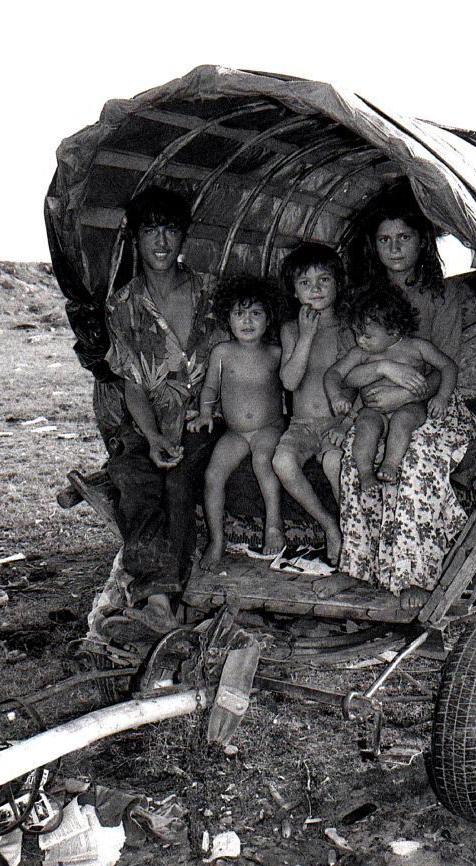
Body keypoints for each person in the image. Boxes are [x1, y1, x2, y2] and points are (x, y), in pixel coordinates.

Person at [322, 193, 476, 610]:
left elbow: (444, 365)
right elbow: (346, 369)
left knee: (417, 456)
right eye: (384, 239)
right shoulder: (359, 299)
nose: (394, 248)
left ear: (421, 242)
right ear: (373, 245)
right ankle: (355, 567)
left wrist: (405, 392)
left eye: (404, 237)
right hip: (375, 403)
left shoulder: (442, 298)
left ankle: (415, 575)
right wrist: (384, 375)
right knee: (360, 453)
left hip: (428, 405)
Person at [105, 186, 221, 634]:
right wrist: (152, 437)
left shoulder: (208, 291)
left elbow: (234, 357)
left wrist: (203, 414)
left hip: (206, 414)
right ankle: (157, 600)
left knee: (178, 480)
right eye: (149, 230)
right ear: (135, 238)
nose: (160, 242)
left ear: (183, 237)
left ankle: (180, 595)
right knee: (134, 477)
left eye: (169, 230)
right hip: (149, 418)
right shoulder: (124, 304)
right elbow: (133, 384)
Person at [188, 276, 285, 569]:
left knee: (263, 461)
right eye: (239, 314)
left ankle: (273, 524)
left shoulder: (276, 353)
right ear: (227, 318)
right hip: (234, 432)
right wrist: (205, 413)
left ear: (269, 319)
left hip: (269, 428)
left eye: (256, 313)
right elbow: (210, 389)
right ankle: (217, 540)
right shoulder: (222, 353)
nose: (247, 321)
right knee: (212, 476)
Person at [325, 283, 459, 491]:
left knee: (402, 419)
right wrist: (335, 397)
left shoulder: (417, 347)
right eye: (357, 333)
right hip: (373, 410)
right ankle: (366, 473)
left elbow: (448, 366)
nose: (360, 340)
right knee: (365, 427)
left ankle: (390, 464)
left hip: (409, 407)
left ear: (394, 330)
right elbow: (334, 374)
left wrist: (442, 397)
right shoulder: (360, 353)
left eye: (367, 335)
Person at [271, 243, 355, 564]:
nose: (315, 289)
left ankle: (353, 532)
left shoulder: (349, 328)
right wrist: (306, 336)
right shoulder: (291, 330)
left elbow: (360, 383)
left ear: (337, 283)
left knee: (334, 462)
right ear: (294, 291)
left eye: (324, 280)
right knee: (282, 462)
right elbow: (290, 382)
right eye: (305, 283)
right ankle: (330, 527)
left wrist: (347, 424)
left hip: (338, 423)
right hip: (302, 425)